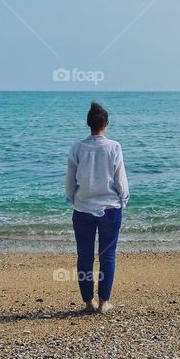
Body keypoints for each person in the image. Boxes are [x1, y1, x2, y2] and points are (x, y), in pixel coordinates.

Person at [65, 101, 129, 314]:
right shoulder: (114, 147)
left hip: (83, 208)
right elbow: (120, 179)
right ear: (106, 124)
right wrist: (123, 199)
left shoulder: (77, 147)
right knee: (107, 256)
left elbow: (70, 179)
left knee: (84, 256)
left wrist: (71, 198)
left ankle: (88, 302)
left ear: (88, 124)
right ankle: (103, 302)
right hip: (110, 208)